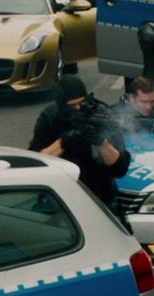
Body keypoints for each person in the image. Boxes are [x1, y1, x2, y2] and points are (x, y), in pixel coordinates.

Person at [29, 76, 130, 205]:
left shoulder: (101, 115)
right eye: (72, 105)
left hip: (99, 196)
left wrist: (101, 143)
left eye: (82, 103)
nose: (78, 108)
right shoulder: (50, 117)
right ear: (61, 104)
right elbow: (35, 163)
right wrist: (64, 142)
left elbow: (120, 169)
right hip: (60, 196)